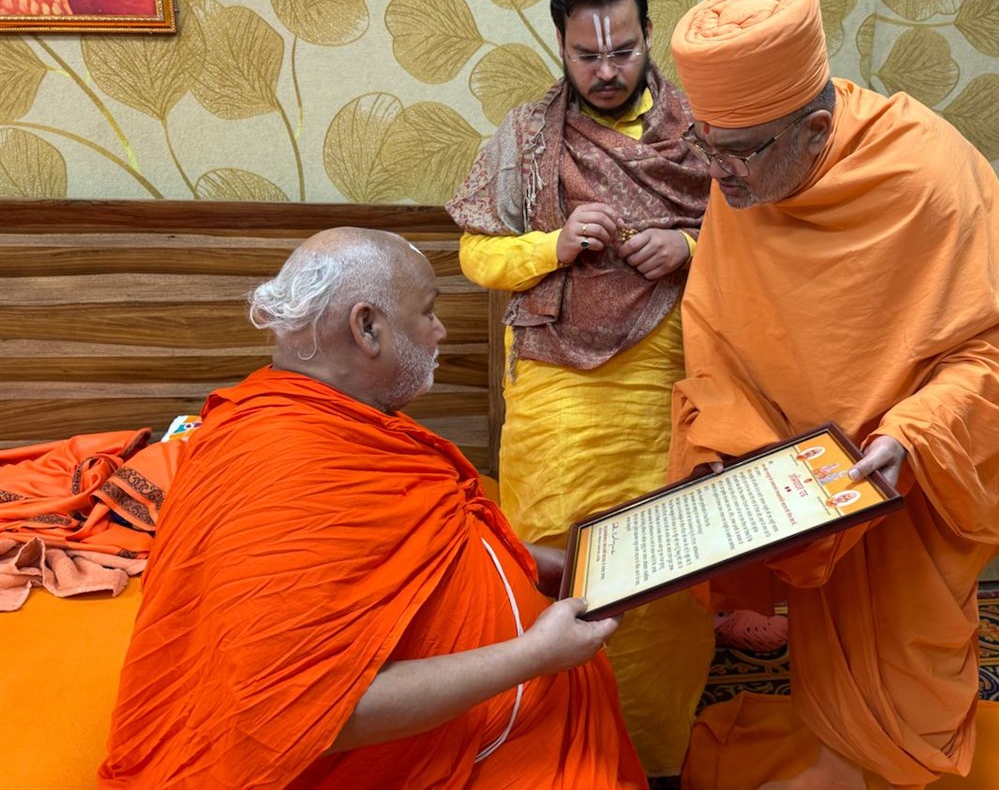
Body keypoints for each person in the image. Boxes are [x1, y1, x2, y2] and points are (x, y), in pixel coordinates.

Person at [667, 0, 999, 789]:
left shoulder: (929, 177)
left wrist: (911, 436)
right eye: (700, 142)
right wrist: (725, 446)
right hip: (807, 489)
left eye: (735, 151)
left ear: (815, 129)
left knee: (911, 683)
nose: (716, 174)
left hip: (902, 486)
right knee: (828, 679)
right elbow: (713, 342)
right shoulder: (739, 184)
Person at [98, 228, 647, 789]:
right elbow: (307, 714)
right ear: (367, 327)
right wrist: (533, 656)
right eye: (428, 312)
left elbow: (392, 544)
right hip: (443, 755)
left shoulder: (336, 414)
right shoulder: (285, 467)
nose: (440, 330)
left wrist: (522, 557)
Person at [446, 0, 714, 776]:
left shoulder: (703, 132)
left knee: (669, 579)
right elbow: (472, 257)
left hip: (671, 389)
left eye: (624, 51)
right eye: (586, 55)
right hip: (558, 396)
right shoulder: (526, 137)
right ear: (561, 45)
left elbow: (775, 251)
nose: (607, 70)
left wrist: (695, 248)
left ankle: (657, 758)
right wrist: (550, 245)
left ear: (645, 32)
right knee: (559, 570)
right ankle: (559, 754)